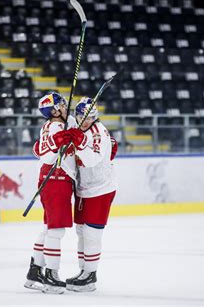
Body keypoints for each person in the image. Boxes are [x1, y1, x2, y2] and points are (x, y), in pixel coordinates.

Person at [24, 92, 77, 294]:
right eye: (62, 104)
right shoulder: (56, 127)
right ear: (54, 111)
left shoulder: (52, 125)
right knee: (56, 230)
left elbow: (37, 150)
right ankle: (51, 277)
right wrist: (60, 141)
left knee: (48, 227)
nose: (65, 106)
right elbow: (46, 153)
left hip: (53, 179)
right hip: (56, 179)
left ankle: (35, 272)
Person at [64, 97, 118, 292]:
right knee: (80, 232)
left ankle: (90, 276)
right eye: (81, 117)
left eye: (90, 118)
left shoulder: (98, 132)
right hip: (83, 188)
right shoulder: (78, 124)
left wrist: (77, 140)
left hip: (101, 188)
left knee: (92, 233)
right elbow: (67, 122)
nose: (85, 121)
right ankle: (83, 271)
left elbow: (91, 159)